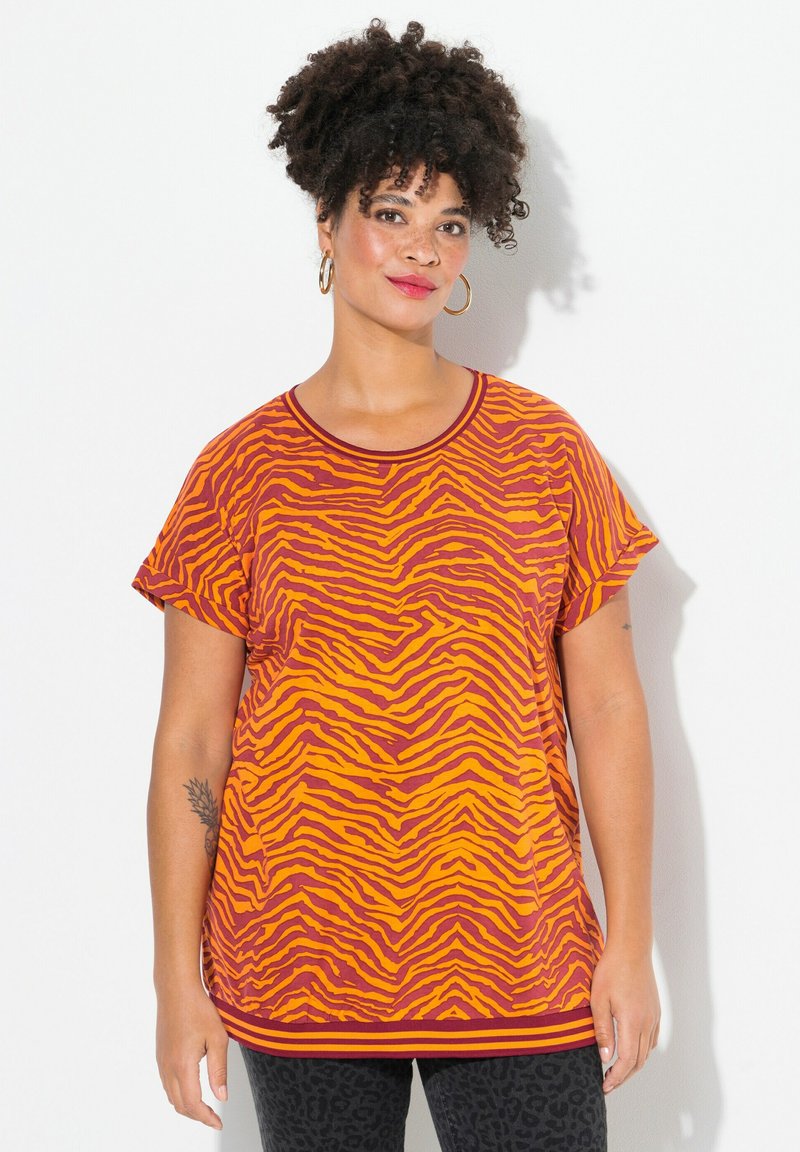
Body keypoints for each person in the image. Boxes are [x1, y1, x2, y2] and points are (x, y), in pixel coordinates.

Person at [131, 17, 661, 1152]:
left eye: (449, 222)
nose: (422, 249)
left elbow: (612, 706)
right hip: (298, 958)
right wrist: (177, 978)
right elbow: (192, 741)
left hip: (519, 957)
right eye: (390, 212)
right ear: (327, 222)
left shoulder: (544, 453)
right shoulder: (239, 474)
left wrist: (629, 940)